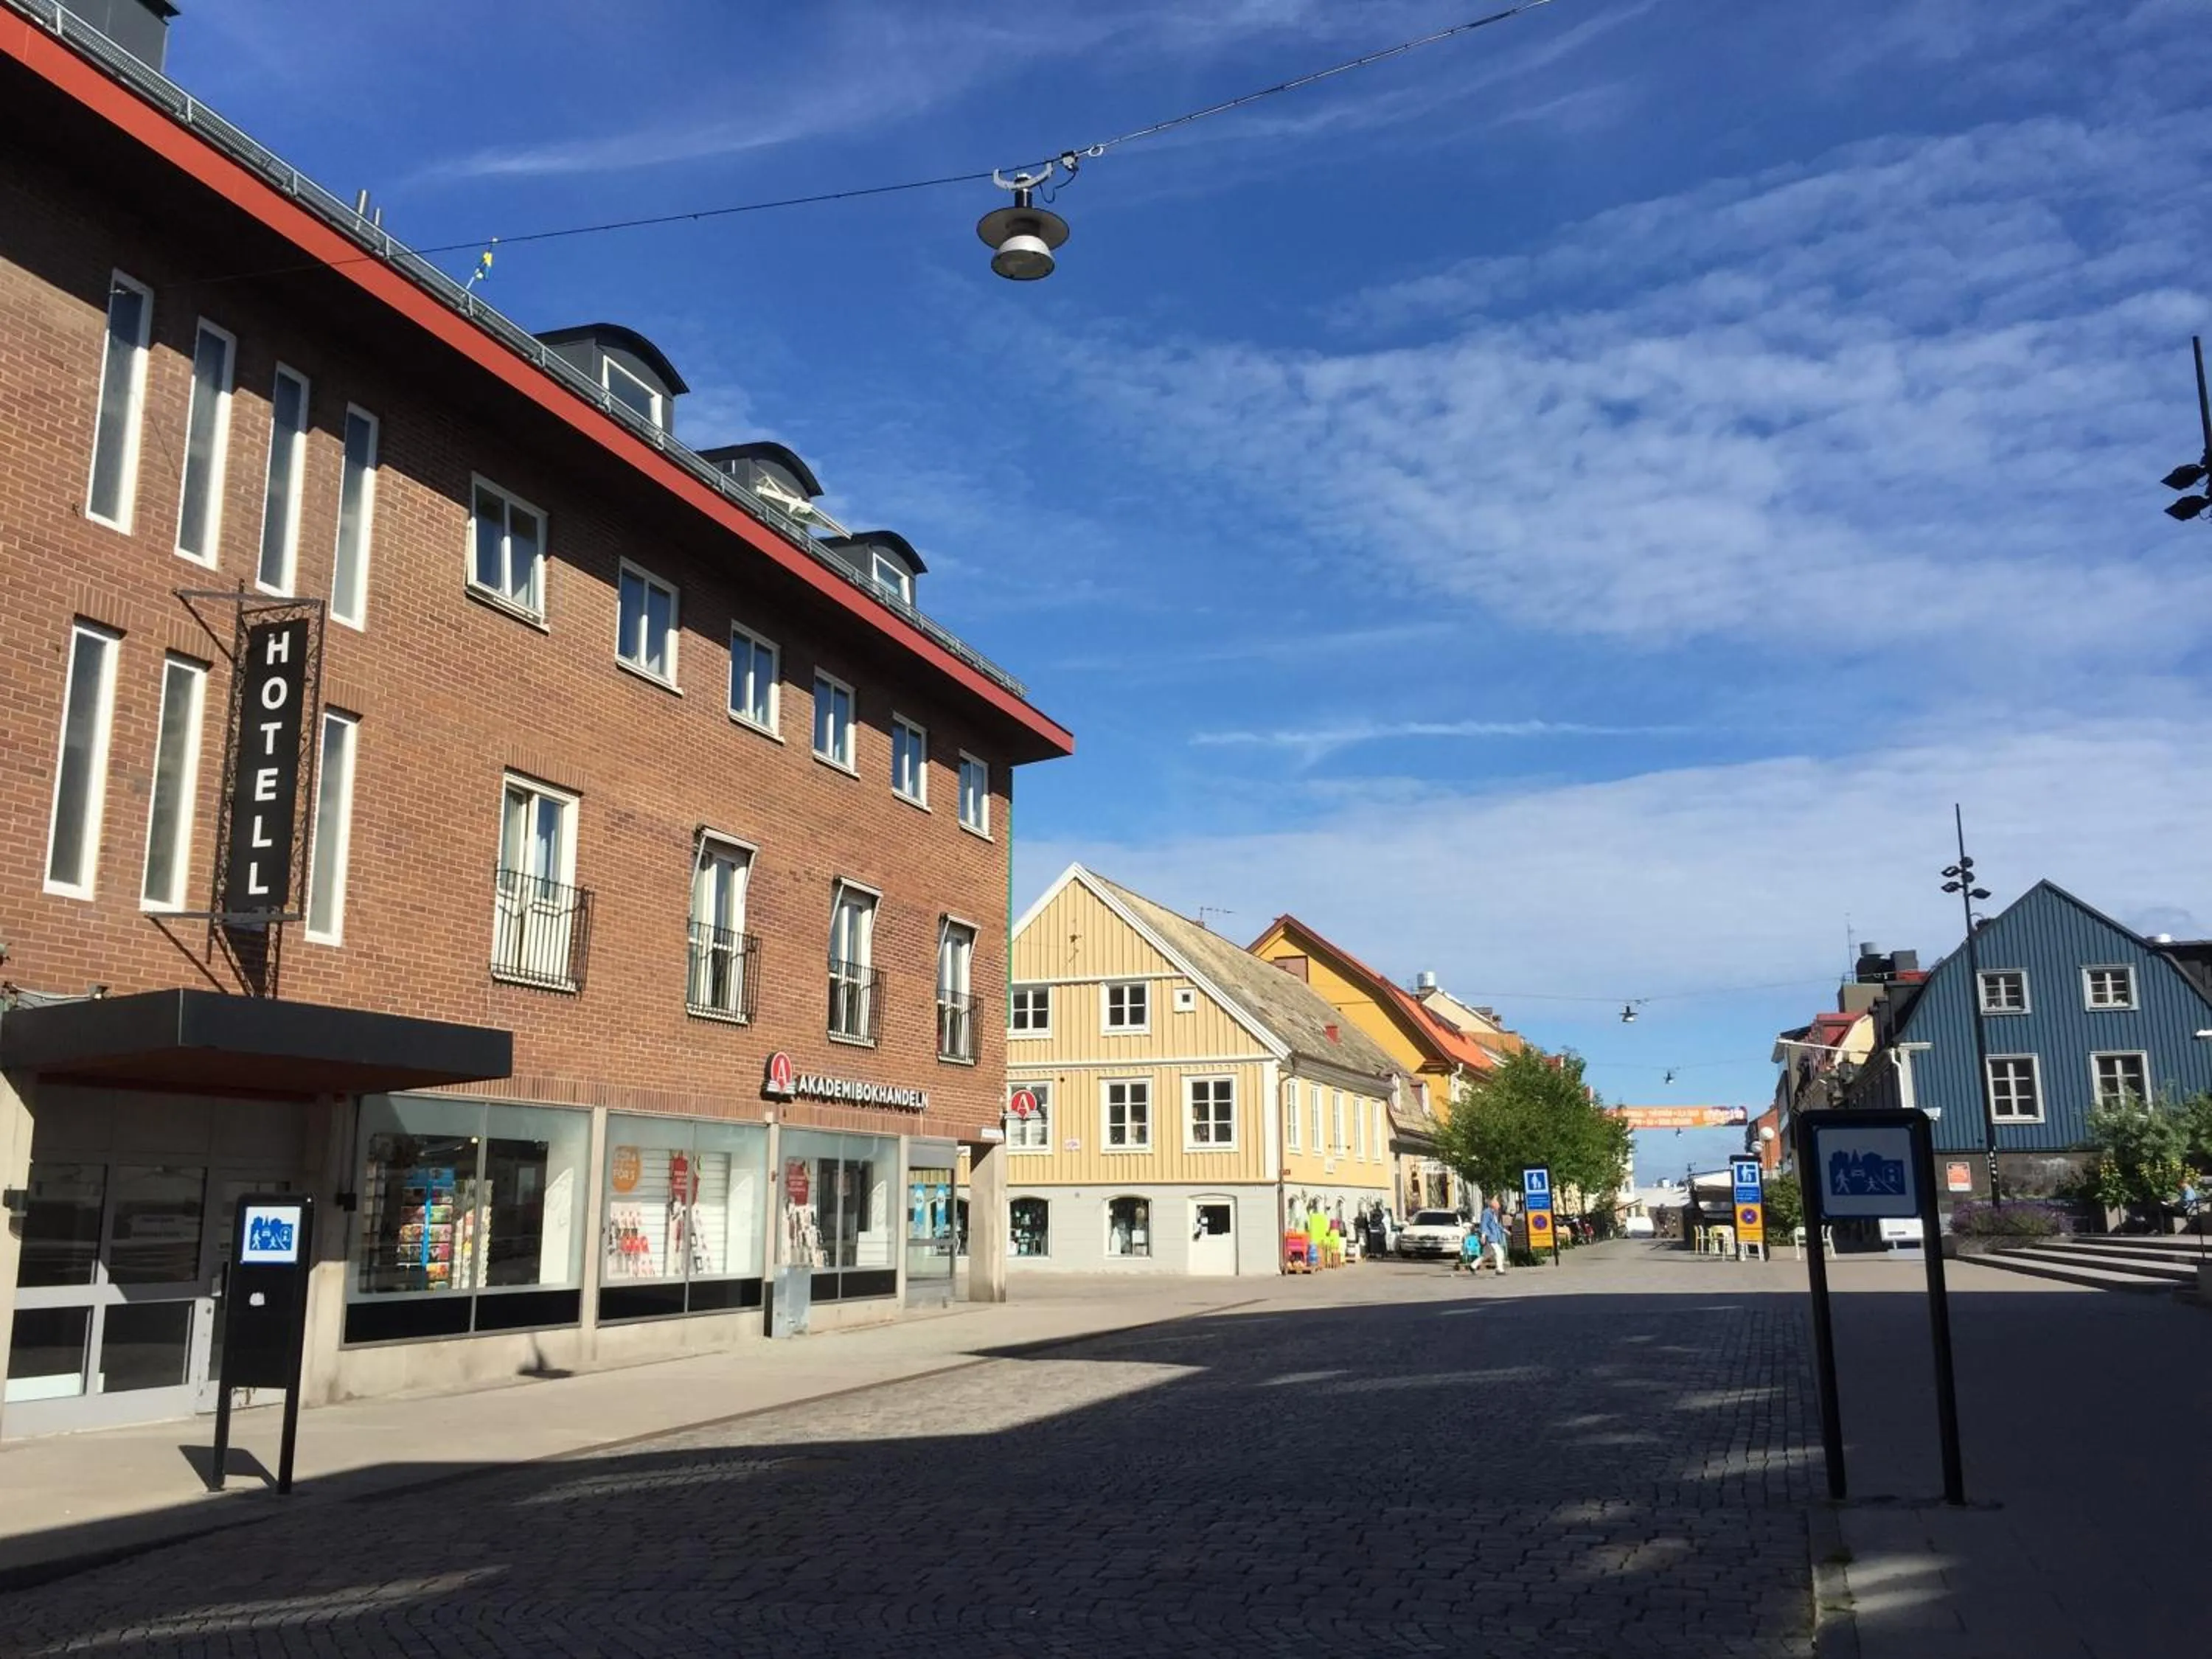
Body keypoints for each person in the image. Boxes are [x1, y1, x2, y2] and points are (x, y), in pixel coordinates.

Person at [1478, 1197, 1509, 1276]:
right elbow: (1484, 1224)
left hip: (1495, 1237)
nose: (1499, 1206)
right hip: (1490, 1237)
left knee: (1486, 1254)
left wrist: (1506, 1231)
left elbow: (1497, 1225)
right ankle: (1499, 1269)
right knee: (1499, 1252)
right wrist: (1483, 1236)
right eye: (1498, 1204)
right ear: (1493, 1205)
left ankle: (1473, 1266)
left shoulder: (1493, 1213)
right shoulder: (1486, 1213)